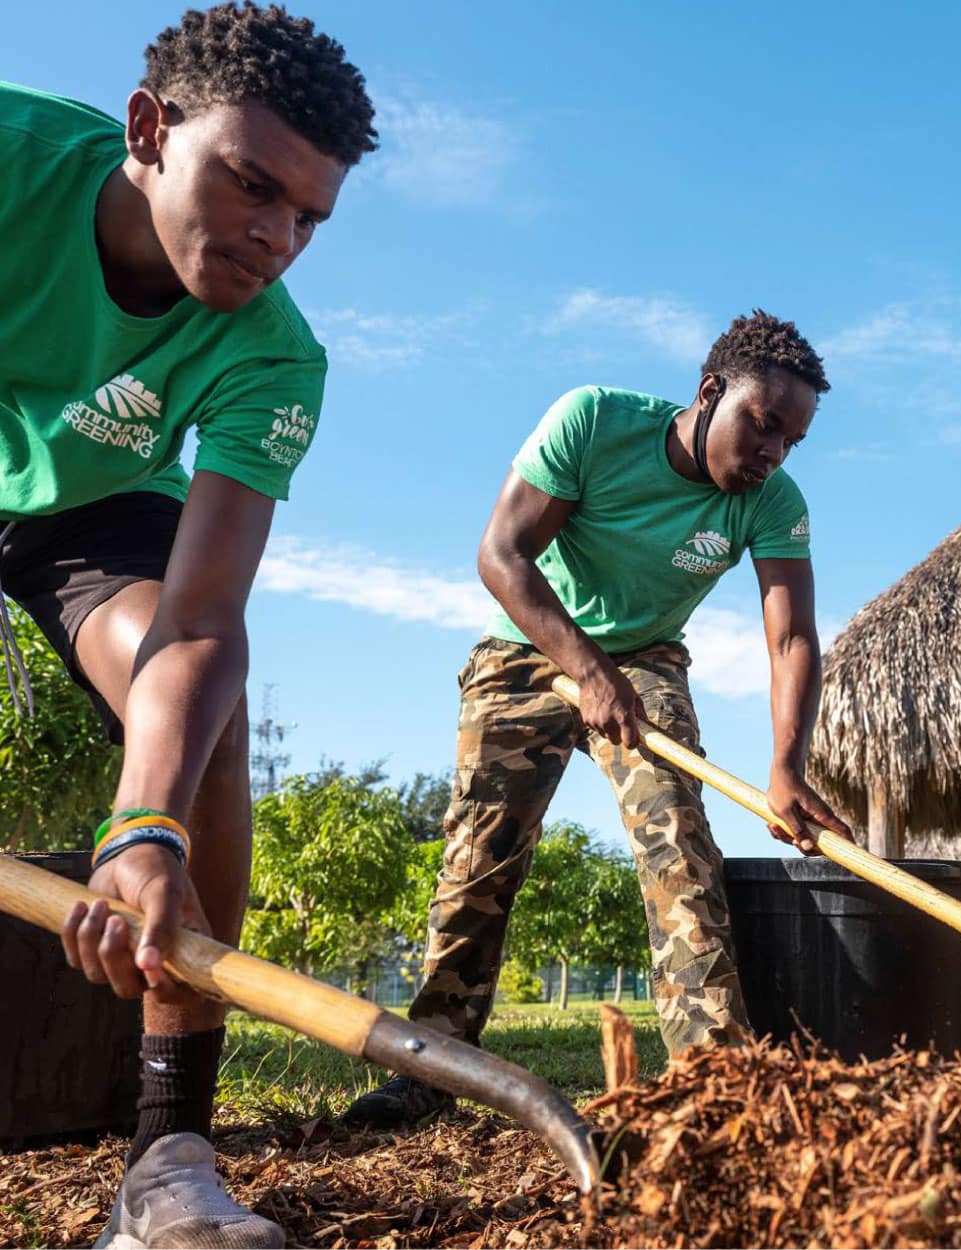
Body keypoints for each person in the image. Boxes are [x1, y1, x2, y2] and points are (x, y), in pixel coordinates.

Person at [0, 6, 376, 1245]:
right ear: (150, 130)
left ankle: (168, 1154)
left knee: (200, 723)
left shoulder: (275, 356)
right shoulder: (8, 159)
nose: (279, 238)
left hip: (94, 507)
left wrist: (143, 822)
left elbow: (204, 614)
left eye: (310, 217)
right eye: (253, 185)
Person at [345, 310, 851, 1128]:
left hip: (647, 659)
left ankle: (718, 1084)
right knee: (480, 860)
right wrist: (585, 669)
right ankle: (429, 1067)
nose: (773, 453)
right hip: (529, 646)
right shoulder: (593, 421)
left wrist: (786, 767)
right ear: (710, 392)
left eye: (792, 440)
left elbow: (791, 637)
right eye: (763, 424)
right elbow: (501, 554)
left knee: (680, 845)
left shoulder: (773, 501)